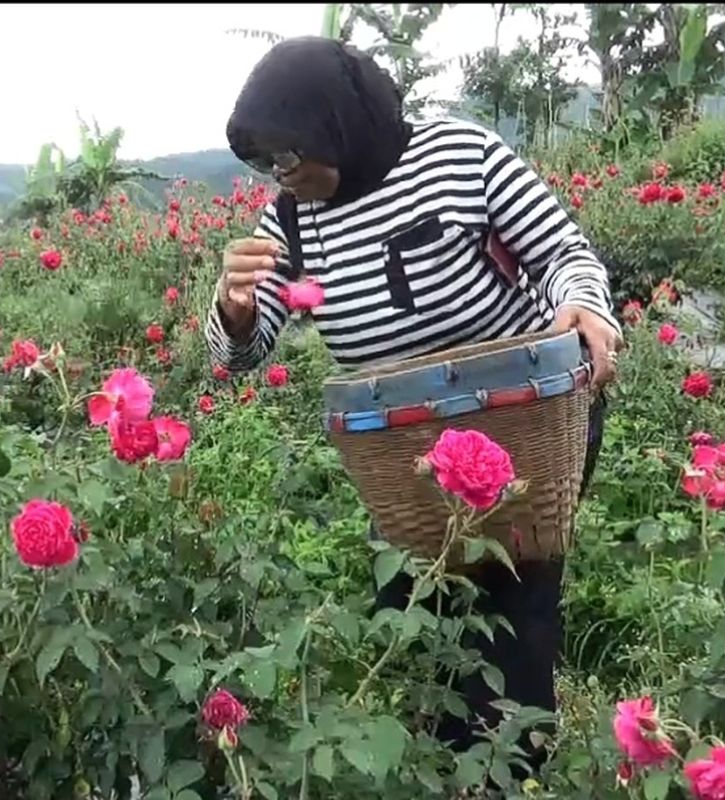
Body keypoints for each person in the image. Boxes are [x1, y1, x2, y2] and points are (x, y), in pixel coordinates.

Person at [204, 36, 623, 774]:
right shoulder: (294, 222)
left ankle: (509, 773)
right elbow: (241, 350)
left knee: (511, 603)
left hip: (521, 418)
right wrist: (234, 306)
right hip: (408, 455)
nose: (282, 176)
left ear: (340, 125)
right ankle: (438, 763)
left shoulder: (459, 158)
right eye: (268, 162)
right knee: (416, 608)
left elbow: (564, 254)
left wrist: (585, 309)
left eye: (291, 157)